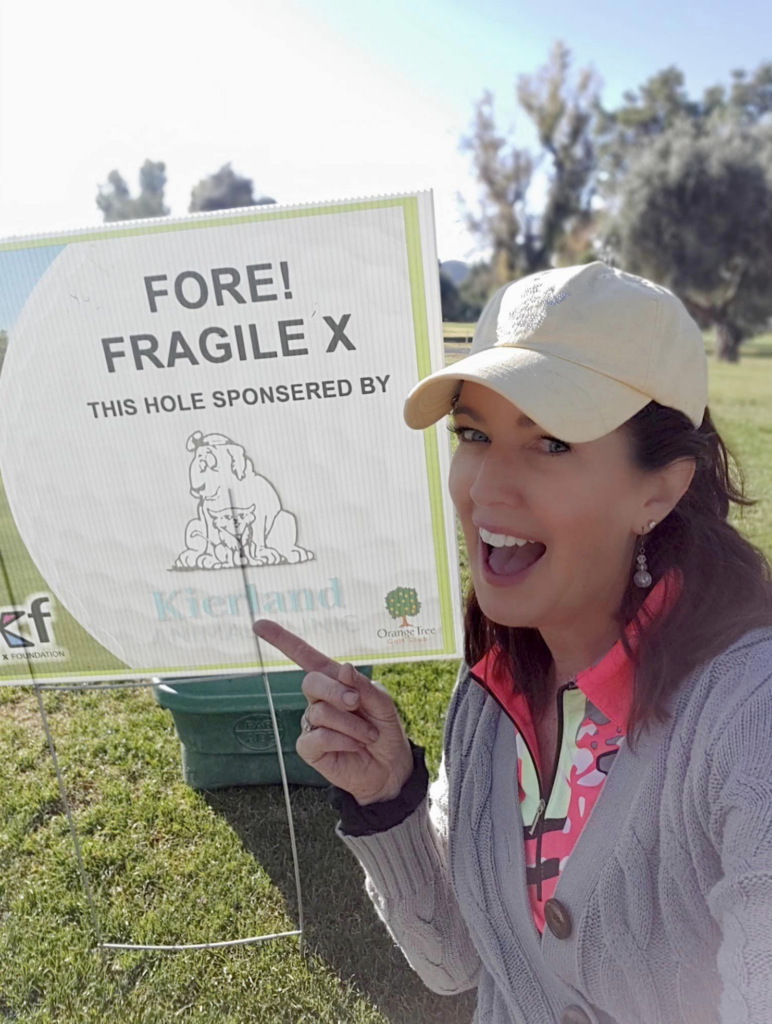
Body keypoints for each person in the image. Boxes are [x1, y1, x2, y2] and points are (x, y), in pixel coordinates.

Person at [253, 262, 772, 1024]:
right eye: (474, 434)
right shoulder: (495, 688)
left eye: (551, 443)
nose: (486, 487)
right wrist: (387, 795)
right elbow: (456, 963)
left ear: (657, 491)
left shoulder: (745, 723)